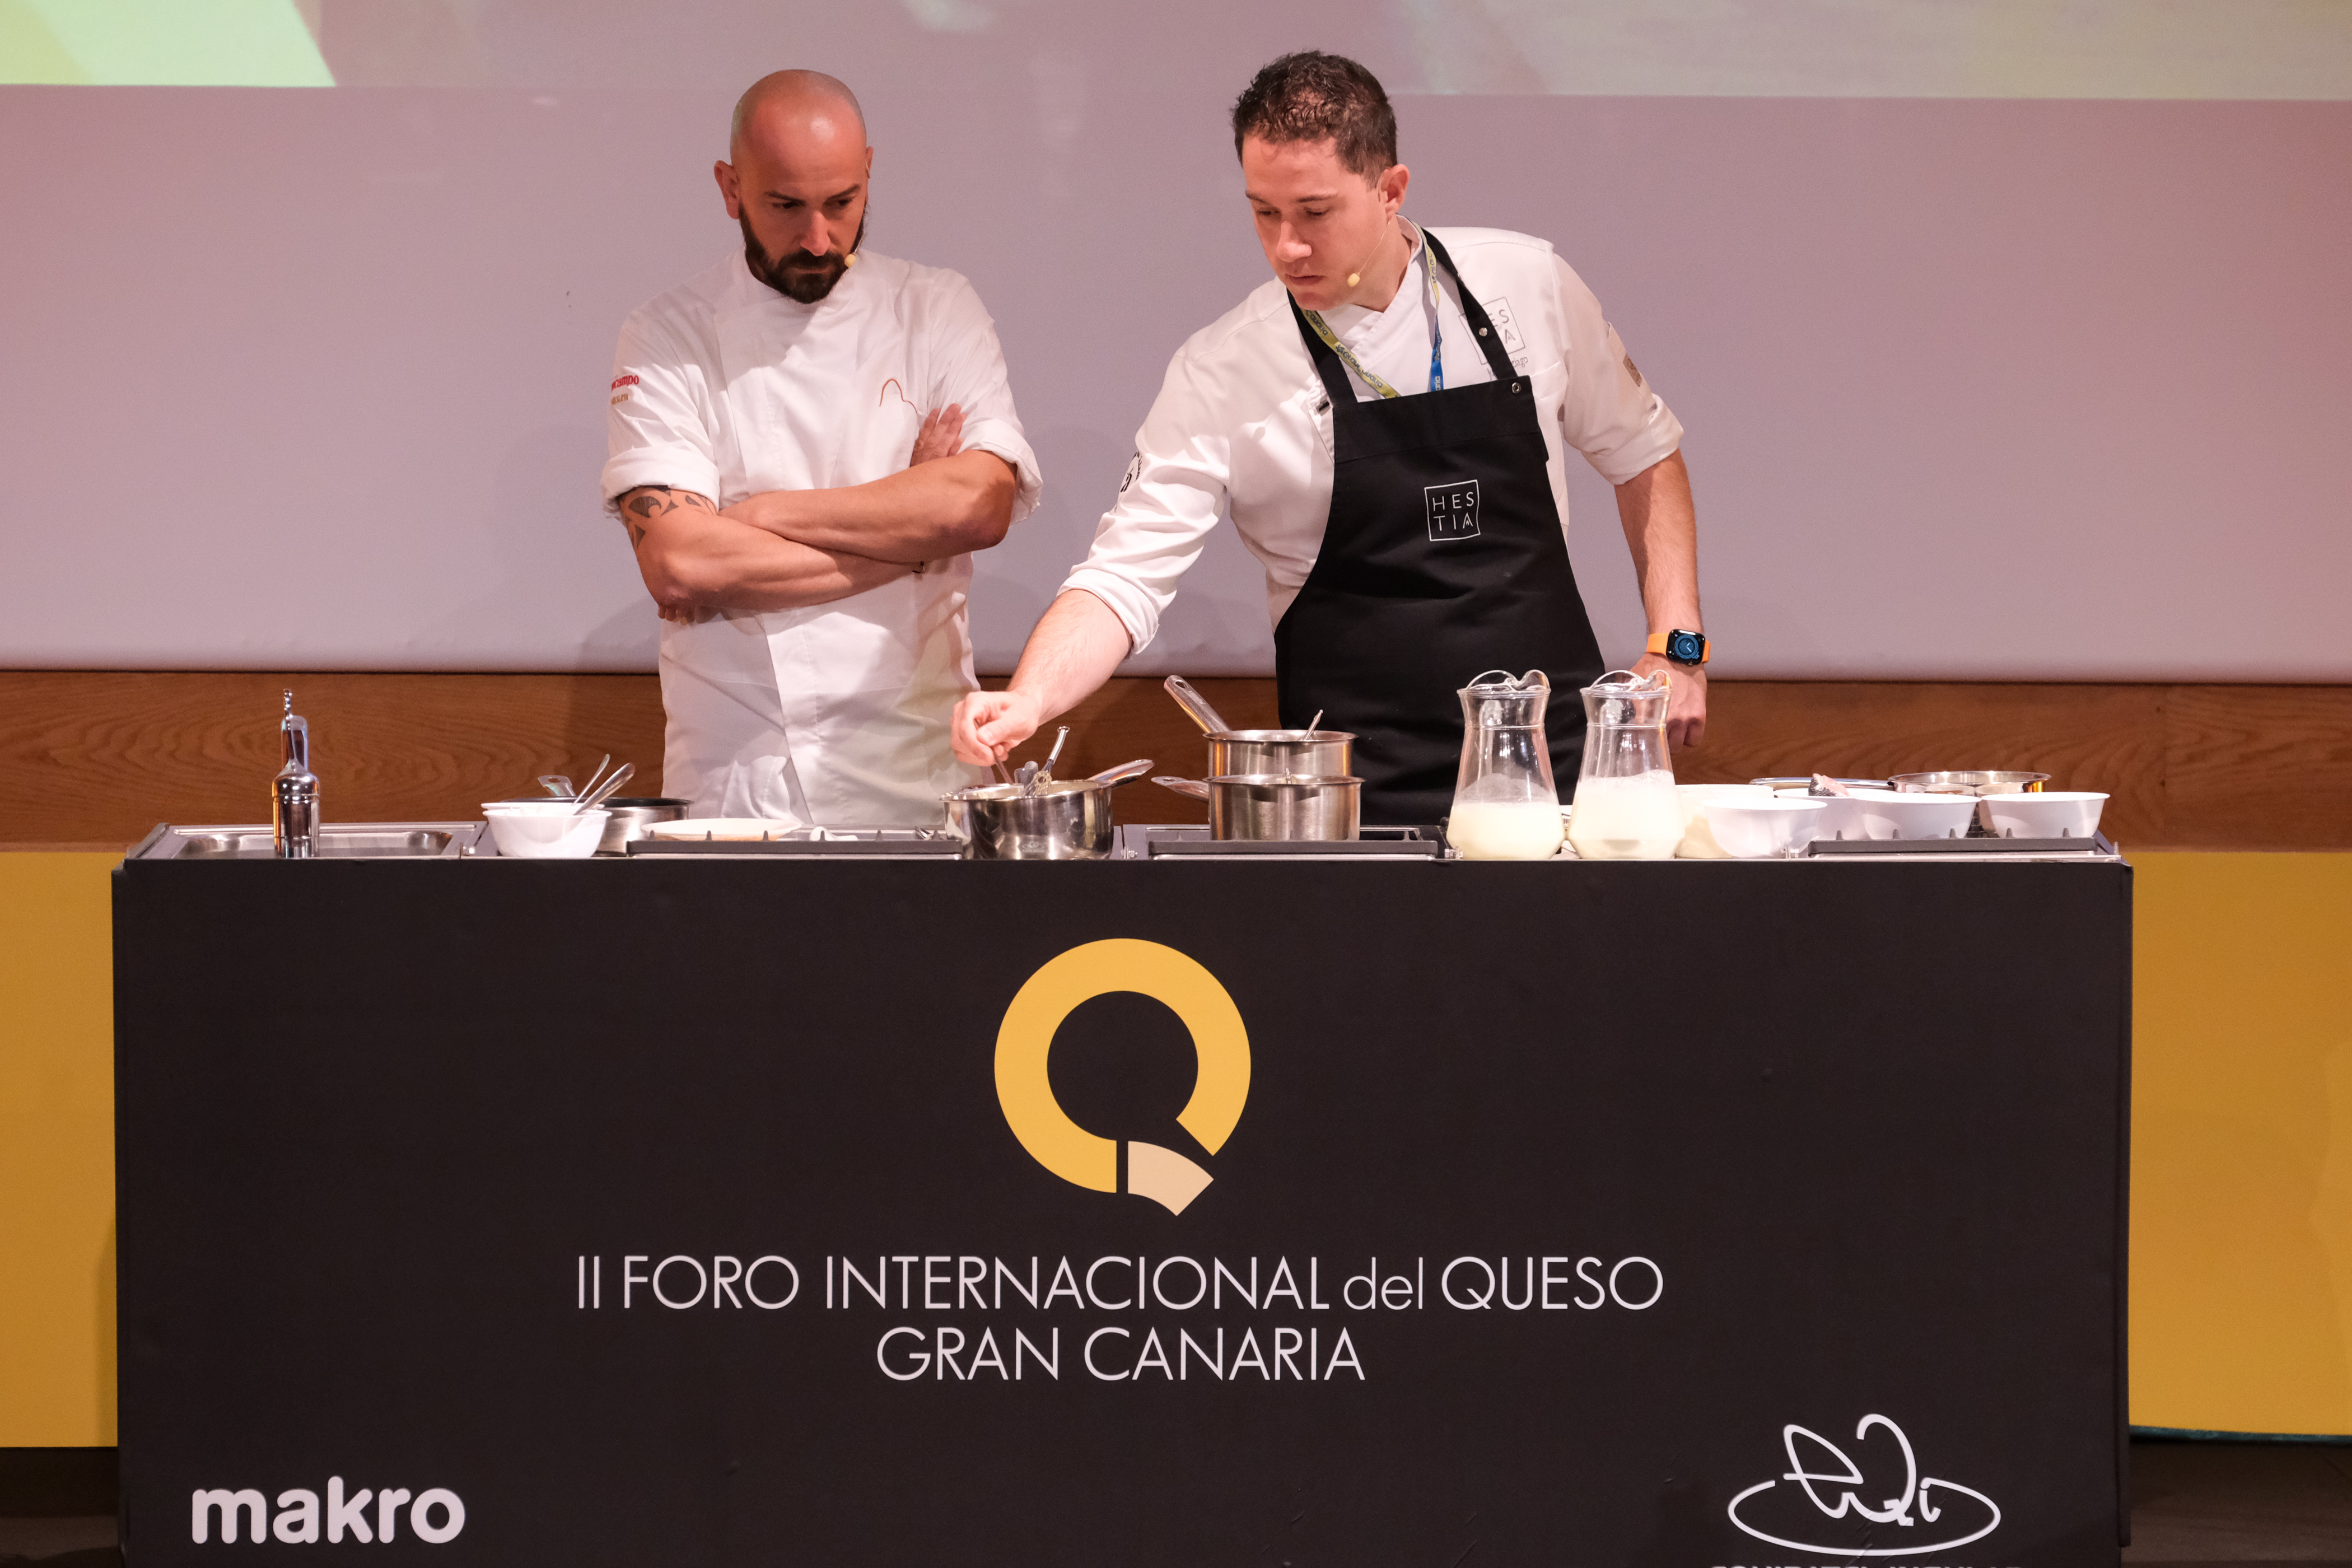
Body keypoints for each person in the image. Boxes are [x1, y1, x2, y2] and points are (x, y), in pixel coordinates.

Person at [952, 52, 1706, 825]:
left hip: (1557, 781)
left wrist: (1679, 649)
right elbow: (1123, 579)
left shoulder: (1528, 282)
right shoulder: (1224, 368)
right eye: (1263, 213)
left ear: (1390, 191)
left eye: (1315, 213)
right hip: (1351, 806)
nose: (1287, 248)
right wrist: (1030, 697)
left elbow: (1645, 453)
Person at [604, 70, 1040, 825]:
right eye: (785, 206)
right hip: (741, 778)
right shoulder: (670, 333)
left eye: (842, 203)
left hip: (919, 767)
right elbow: (681, 563)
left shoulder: (937, 309)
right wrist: (910, 541)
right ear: (730, 187)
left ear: (869, 171)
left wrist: (758, 514)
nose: (818, 237)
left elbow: (977, 504)